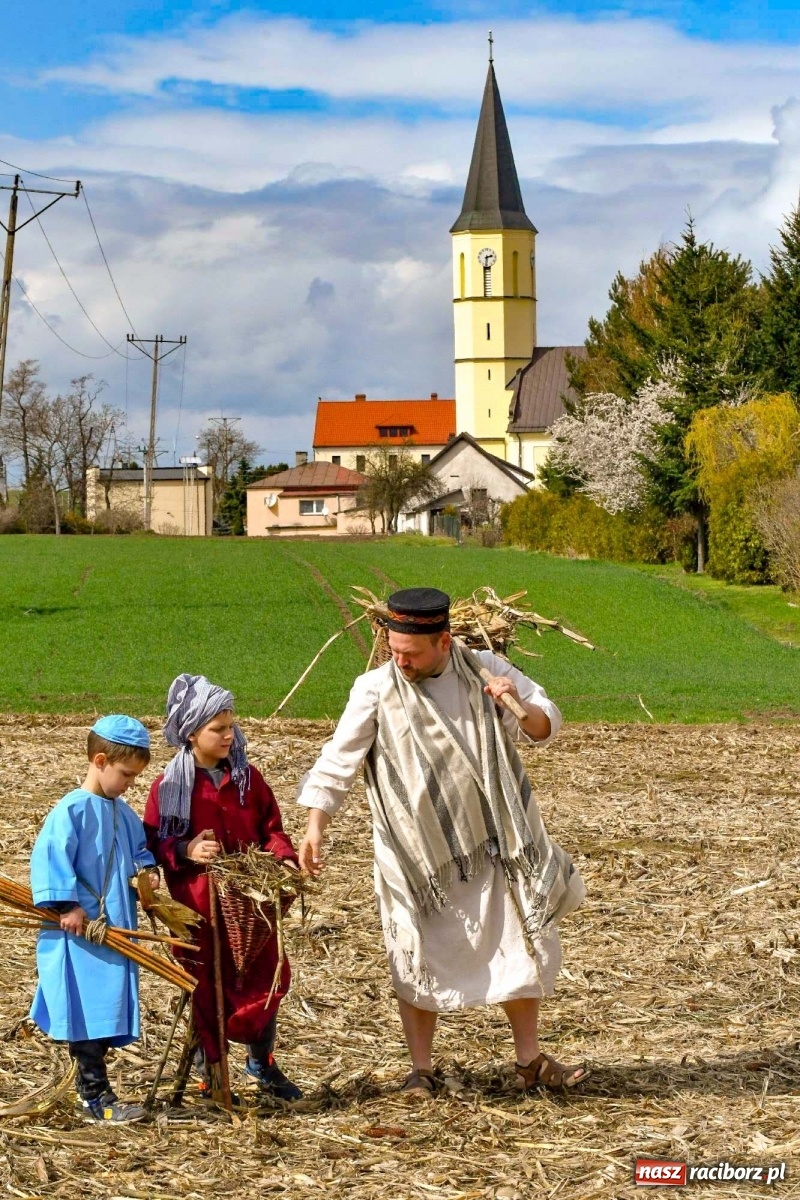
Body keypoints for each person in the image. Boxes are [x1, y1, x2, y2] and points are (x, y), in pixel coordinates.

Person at [298, 587, 588, 1096]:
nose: (400, 663)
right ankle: (421, 1071)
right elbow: (337, 760)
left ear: (444, 642)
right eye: (393, 652)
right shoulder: (375, 689)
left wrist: (513, 702)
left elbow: (544, 725)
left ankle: (530, 1062)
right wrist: (315, 825)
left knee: (518, 942)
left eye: (410, 654)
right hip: (416, 855)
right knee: (416, 951)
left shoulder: (483, 670)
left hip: (494, 840)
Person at [143, 673, 302, 1103]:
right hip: (199, 909)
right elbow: (153, 842)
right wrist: (187, 849)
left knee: (266, 978)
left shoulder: (249, 779)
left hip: (251, 906)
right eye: (218, 729)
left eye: (231, 726)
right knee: (205, 987)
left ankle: (262, 1062)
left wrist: (283, 856)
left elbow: (272, 828)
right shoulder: (171, 787)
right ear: (191, 732)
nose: (229, 735)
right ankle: (209, 1072)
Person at [29, 714, 159, 1123]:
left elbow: (139, 851)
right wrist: (66, 907)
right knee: (85, 1014)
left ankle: (97, 1092)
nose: (129, 784)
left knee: (104, 1011)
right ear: (100, 760)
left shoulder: (123, 813)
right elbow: (50, 859)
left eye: (136, 777)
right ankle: (96, 1099)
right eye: (126, 774)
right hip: (79, 936)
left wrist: (146, 872)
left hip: (113, 932)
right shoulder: (71, 810)